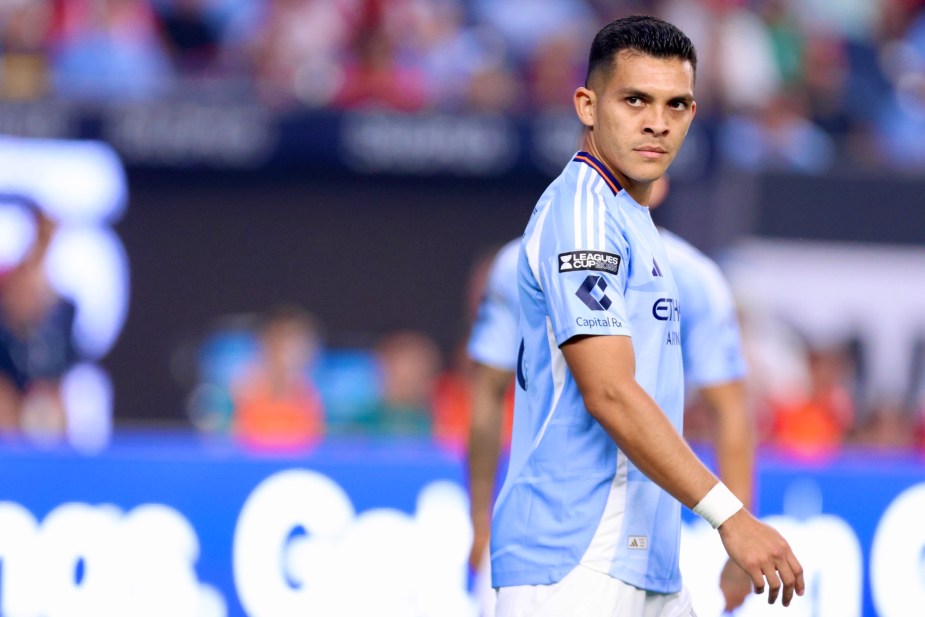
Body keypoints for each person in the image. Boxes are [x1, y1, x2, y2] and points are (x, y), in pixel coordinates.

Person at [488, 15, 803, 616]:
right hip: (572, 563)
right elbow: (607, 390)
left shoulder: (631, 218)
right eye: (635, 99)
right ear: (586, 104)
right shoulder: (582, 216)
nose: (658, 121)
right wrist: (730, 516)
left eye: (676, 104)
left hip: (643, 564)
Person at [467, 185, 757, 614]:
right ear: (590, 118)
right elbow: (492, 396)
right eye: (634, 112)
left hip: (654, 557)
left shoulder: (694, 277)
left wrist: (737, 533)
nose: (655, 127)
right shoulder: (531, 255)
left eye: (672, 112)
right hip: (564, 548)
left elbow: (730, 410)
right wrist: (478, 520)